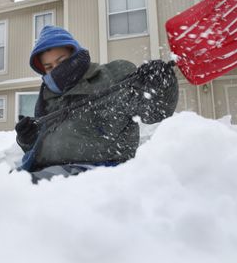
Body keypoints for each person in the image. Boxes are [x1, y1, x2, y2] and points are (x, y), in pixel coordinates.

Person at [15, 25, 178, 181]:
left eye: (61, 60)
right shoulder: (48, 97)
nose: (56, 70)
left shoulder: (112, 79)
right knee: (6, 184)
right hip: (47, 170)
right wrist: (28, 139)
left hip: (98, 170)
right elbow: (44, 146)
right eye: (49, 66)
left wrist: (161, 83)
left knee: (25, 187)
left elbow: (156, 111)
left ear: (74, 54)